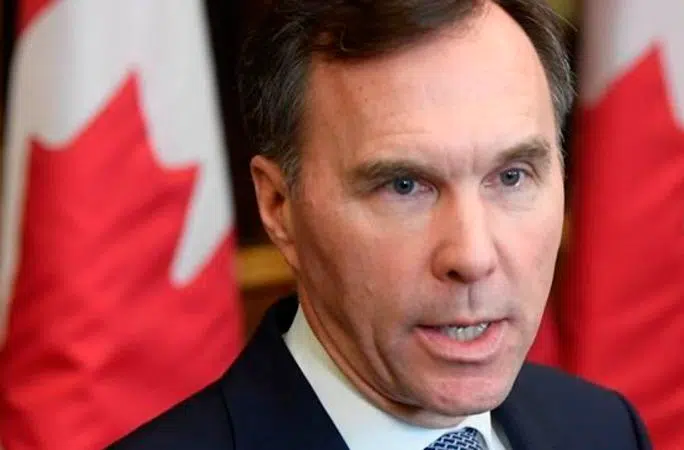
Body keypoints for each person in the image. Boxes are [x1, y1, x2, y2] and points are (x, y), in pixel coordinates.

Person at [111, 0, 651, 448]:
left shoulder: (603, 429)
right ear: (279, 207)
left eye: (511, 177)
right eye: (404, 186)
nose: (472, 256)